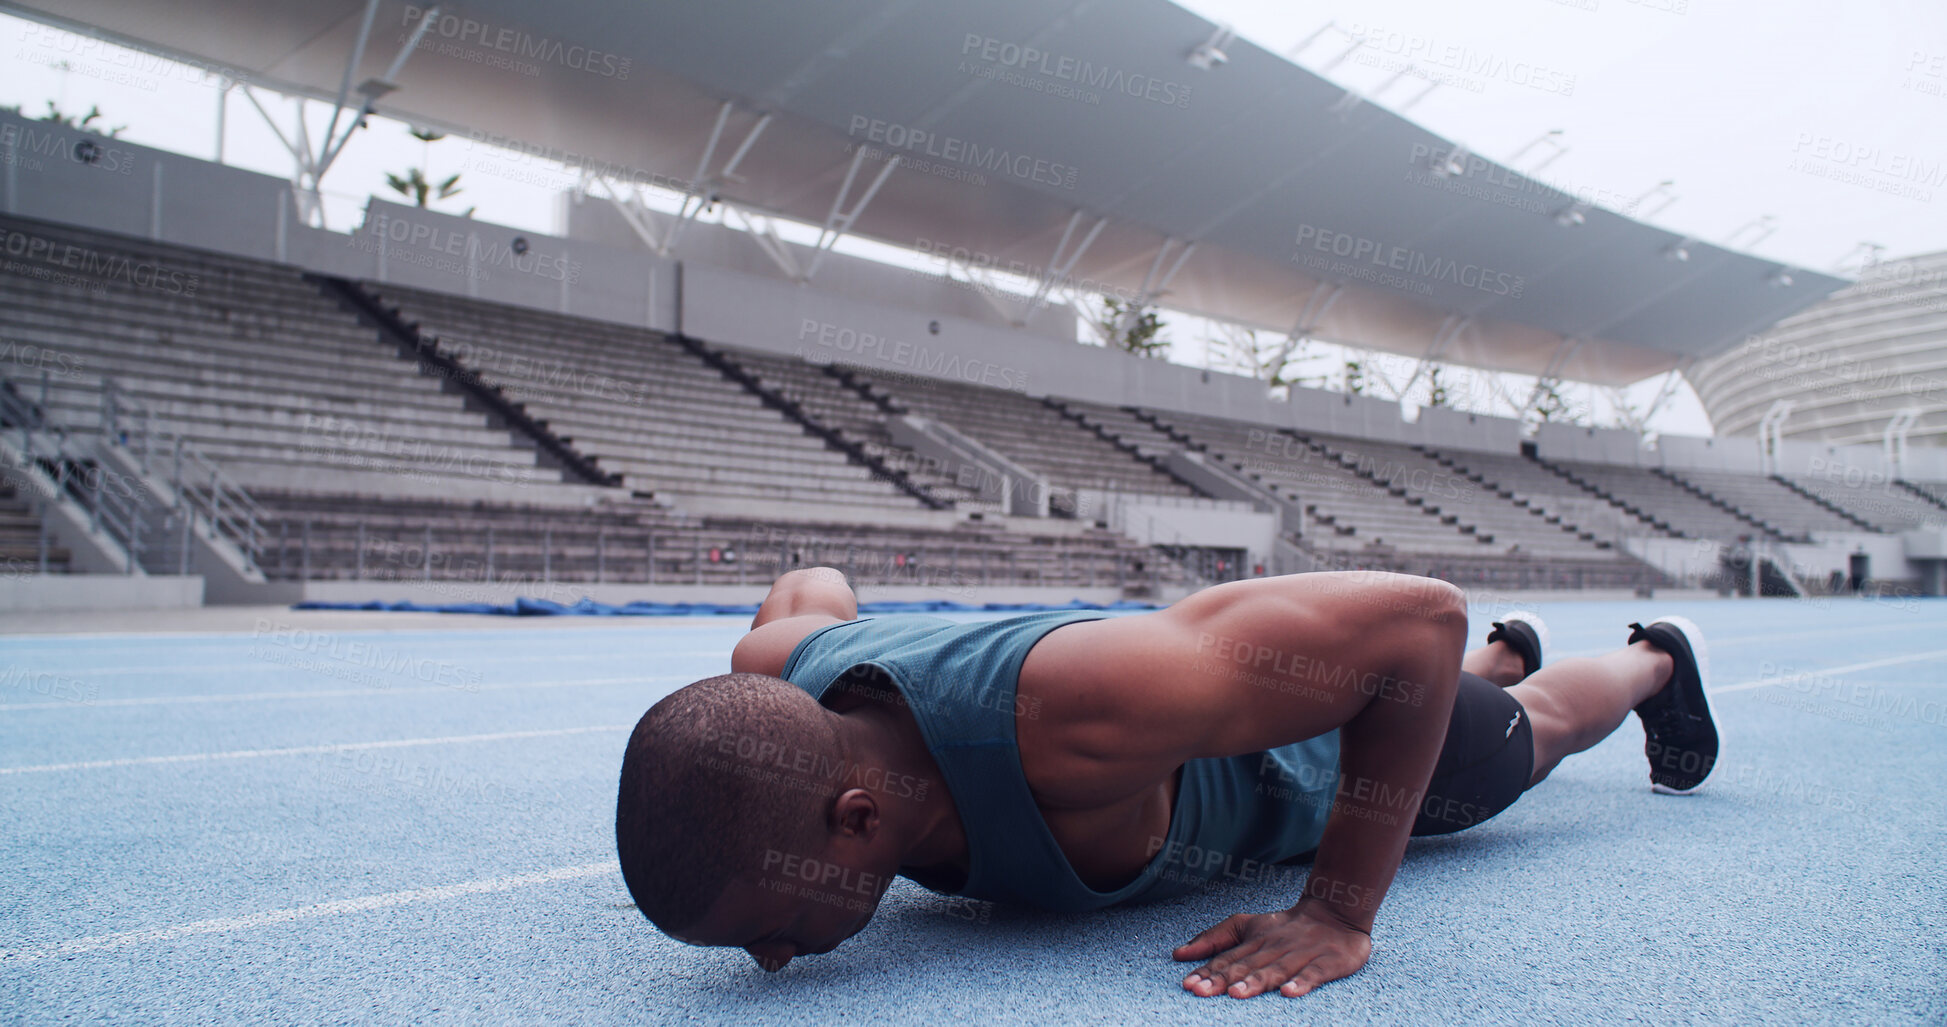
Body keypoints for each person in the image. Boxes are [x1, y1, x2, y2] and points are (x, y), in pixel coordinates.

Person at [615, 568, 1718, 1000]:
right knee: (1431, 668)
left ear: (856, 817)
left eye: (770, 929)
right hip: (1214, 690)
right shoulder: (777, 672)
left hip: (1336, 755)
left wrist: (1337, 908)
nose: (769, 958)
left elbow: (1416, 619)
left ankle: (1652, 656)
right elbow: (809, 588)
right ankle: (1506, 650)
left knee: (1541, 728)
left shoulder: (1077, 724)